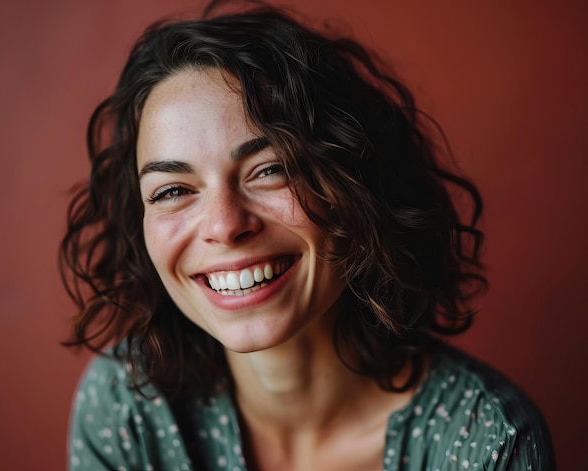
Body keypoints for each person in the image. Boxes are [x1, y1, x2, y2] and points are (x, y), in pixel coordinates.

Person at [61, 1, 554, 469]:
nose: (225, 225)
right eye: (171, 191)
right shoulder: (126, 406)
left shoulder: (486, 441)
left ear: (358, 184)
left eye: (270, 168)